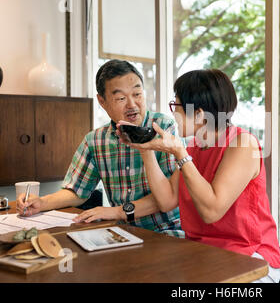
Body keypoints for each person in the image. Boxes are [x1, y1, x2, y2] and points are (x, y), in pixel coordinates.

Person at [117, 69, 280, 282]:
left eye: (176, 106)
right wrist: (145, 150)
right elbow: (167, 200)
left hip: (251, 259)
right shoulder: (195, 146)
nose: (173, 113)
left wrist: (179, 153)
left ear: (200, 114)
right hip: (204, 254)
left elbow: (211, 211)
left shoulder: (242, 144)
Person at [16, 59, 183, 237]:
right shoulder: (95, 140)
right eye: (120, 98)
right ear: (102, 101)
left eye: (137, 94)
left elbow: (170, 195)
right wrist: (41, 202)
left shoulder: (164, 128)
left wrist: (119, 211)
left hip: (167, 231)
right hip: (123, 233)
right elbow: (76, 191)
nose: (132, 104)